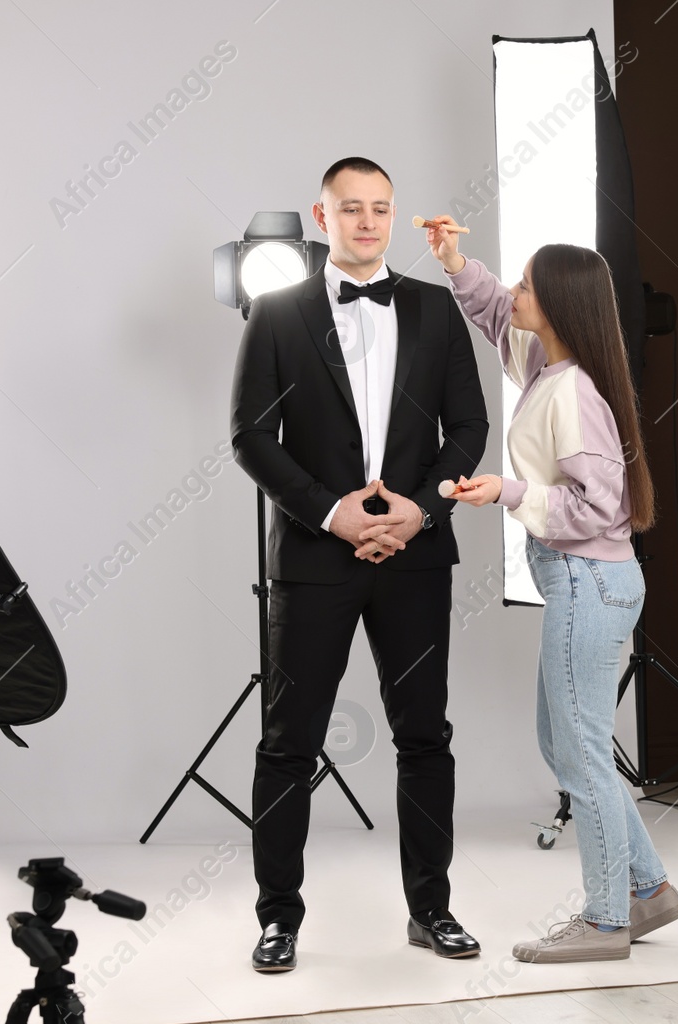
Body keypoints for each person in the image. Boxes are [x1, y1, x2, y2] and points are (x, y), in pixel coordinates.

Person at [229, 159, 489, 973]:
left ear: (391, 215)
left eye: (381, 209)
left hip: (414, 555)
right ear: (323, 214)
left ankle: (432, 909)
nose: (369, 222)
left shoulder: (436, 309)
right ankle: (278, 918)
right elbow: (250, 437)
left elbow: (469, 427)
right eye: (352, 209)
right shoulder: (275, 314)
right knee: (288, 742)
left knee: (425, 736)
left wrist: (424, 507)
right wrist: (333, 512)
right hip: (315, 556)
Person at [424, 220, 678, 963]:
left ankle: (606, 921)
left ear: (563, 305)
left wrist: (508, 491)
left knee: (582, 755)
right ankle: (648, 888)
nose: (515, 292)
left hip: (588, 579)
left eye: (529, 284)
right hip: (586, 581)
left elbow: (602, 508)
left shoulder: (571, 393)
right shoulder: (547, 364)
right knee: (565, 743)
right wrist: (455, 264)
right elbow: (495, 317)